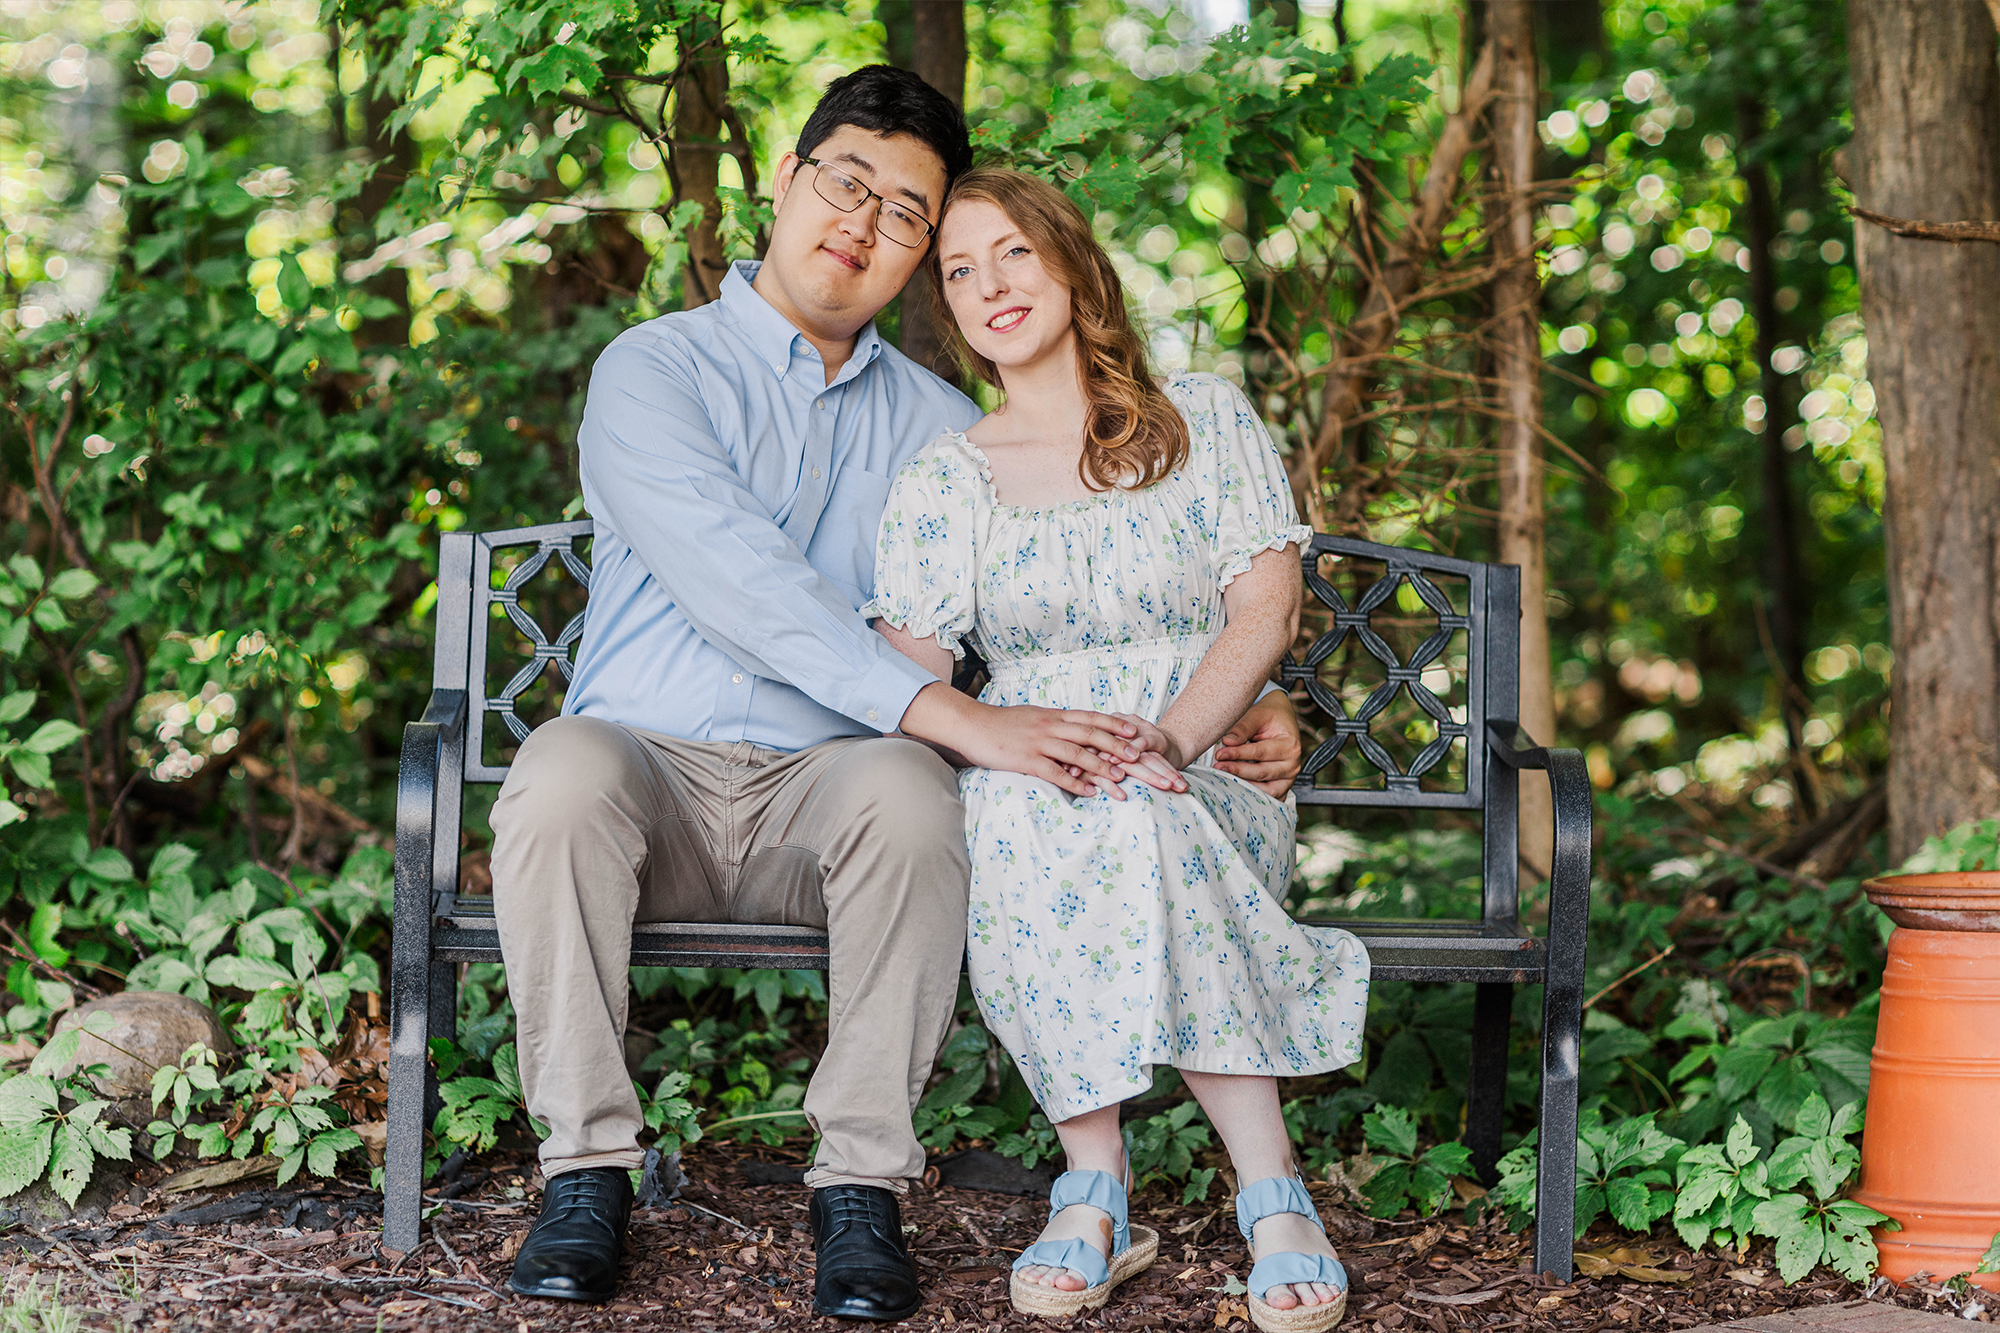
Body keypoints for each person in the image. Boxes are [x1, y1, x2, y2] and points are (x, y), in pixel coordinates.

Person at [487, 69, 1308, 1321]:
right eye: (846, 184)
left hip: (831, 788)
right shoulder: (652, 372)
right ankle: (586, 1171)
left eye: (905, 214)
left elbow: (1032, 600)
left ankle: (860, 1183)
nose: (863, 225)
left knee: (909, 793)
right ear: (786, 182)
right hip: (642, 775)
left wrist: (1235, 701)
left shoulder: (940, 428)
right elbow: (745, 584)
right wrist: (968, 722)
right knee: (556, 770)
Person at [867, 169, 1370, 1333]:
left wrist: (1176, 732)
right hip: (1030, 772)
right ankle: (1113, 1180)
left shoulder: (1198, 417)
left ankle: (1210, 1186)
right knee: (1049, 806)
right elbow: (908, 673)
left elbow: (1262, 611)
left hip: (1203, 761)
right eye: (958, 269)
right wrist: (1004, 742)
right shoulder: (949, 477)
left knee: (1140, 796)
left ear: (1071, 264)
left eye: (1012, 255)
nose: (989, 285)